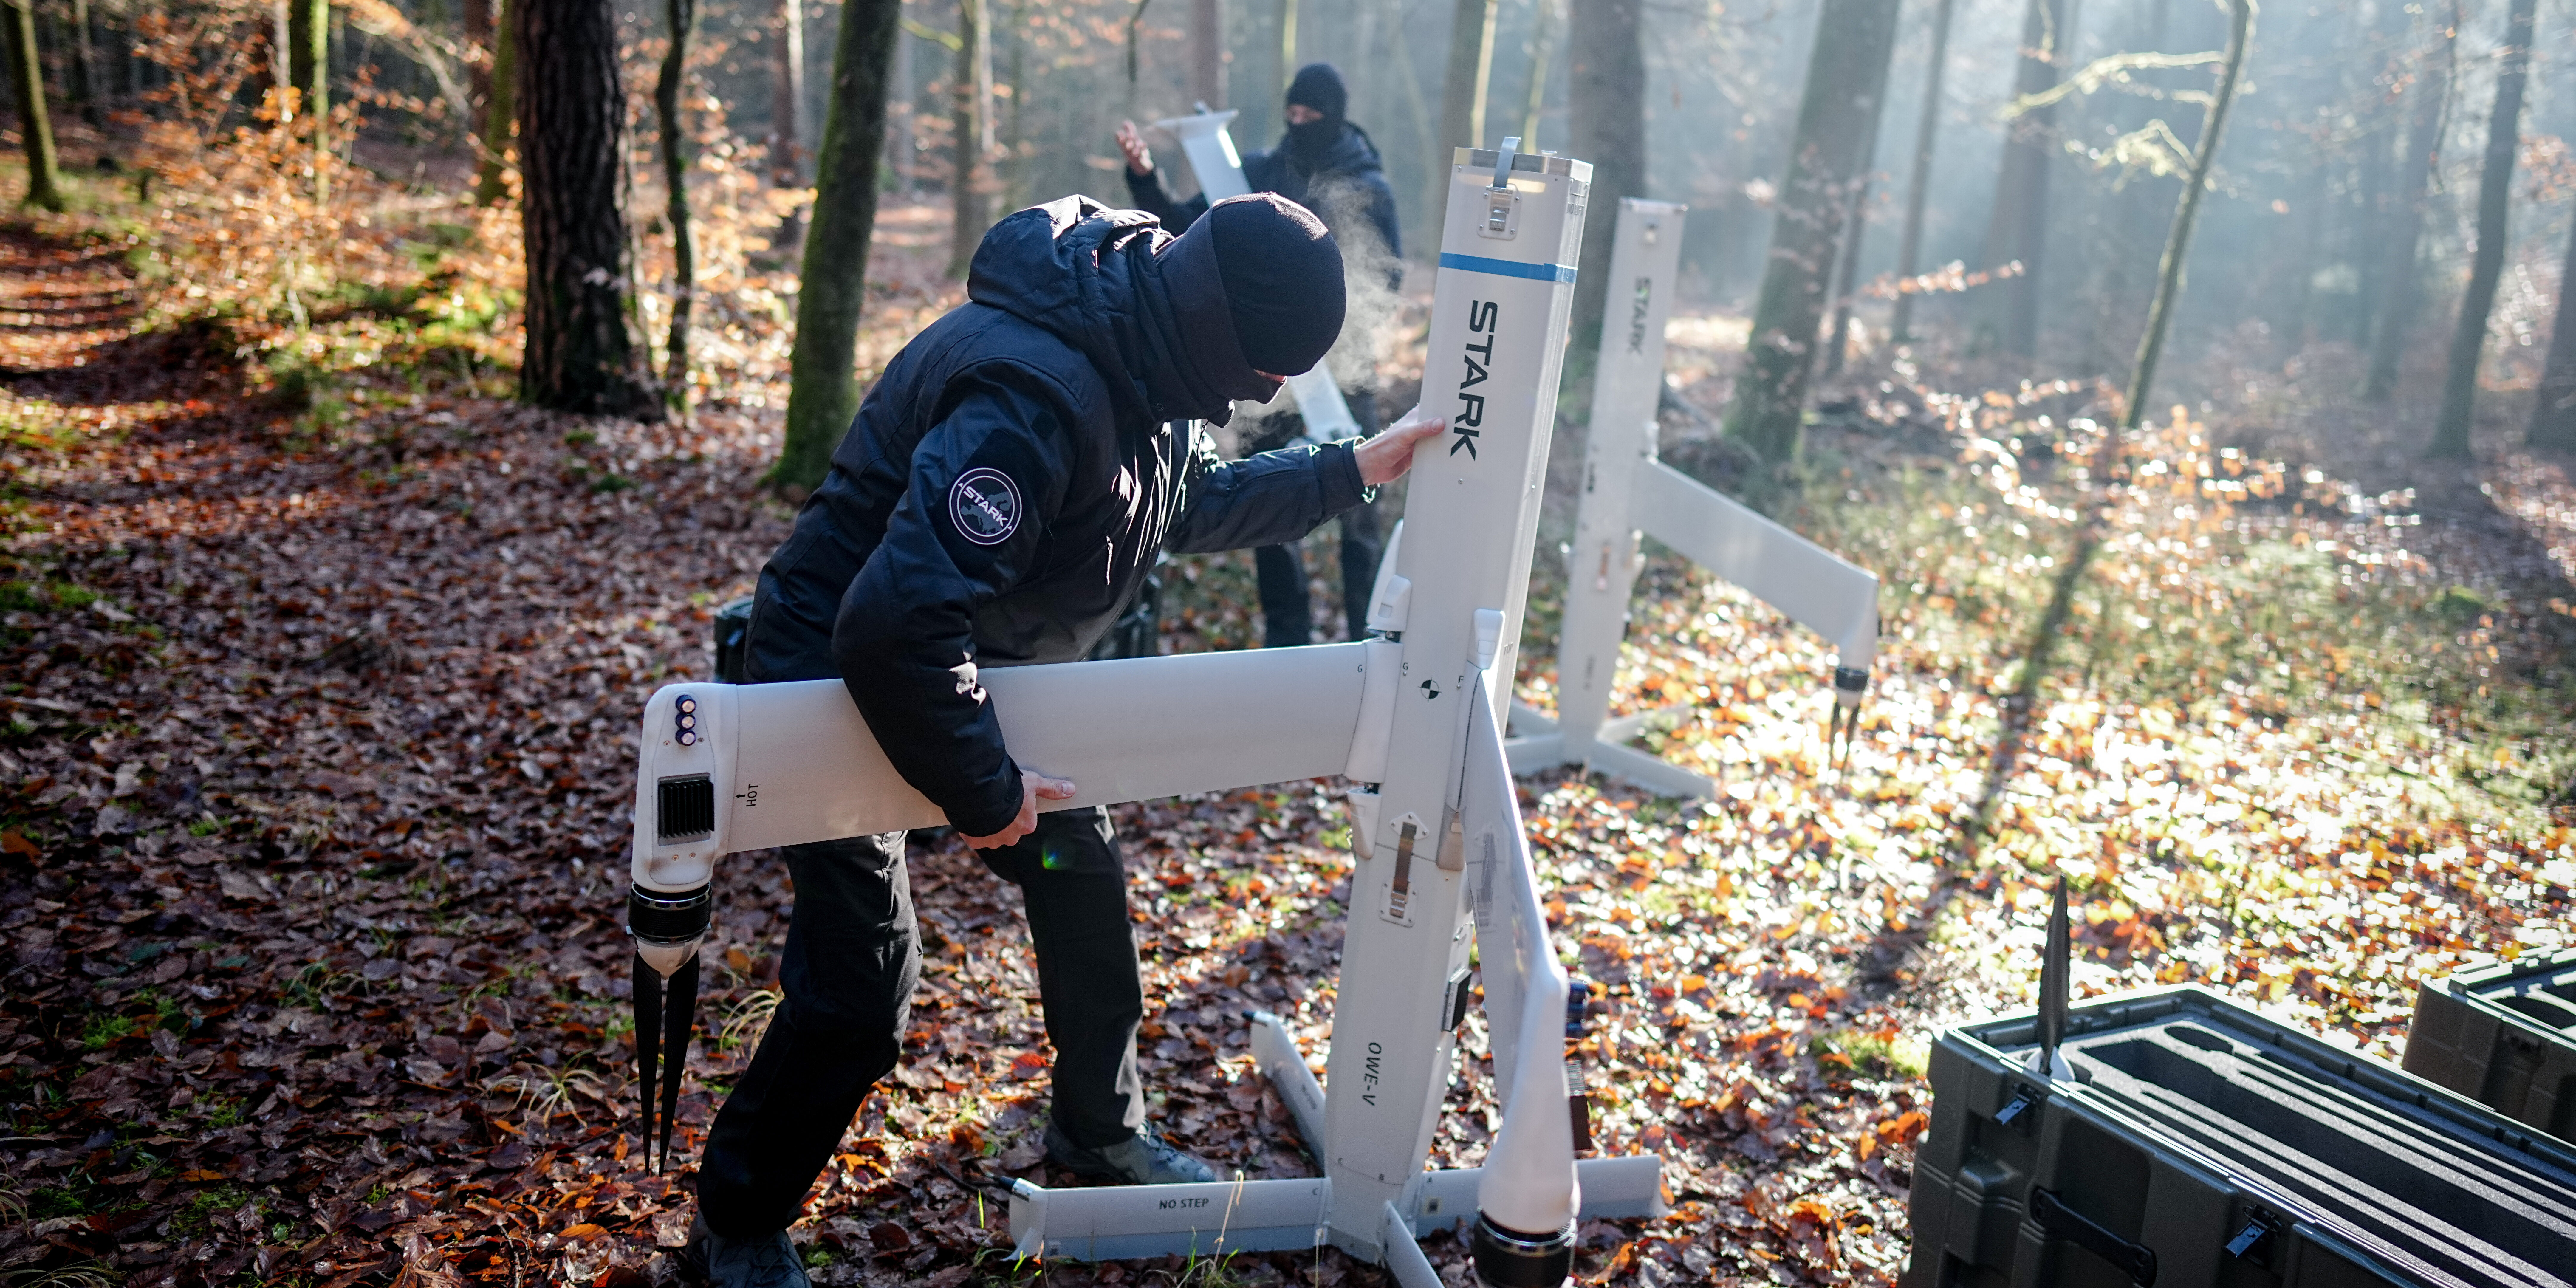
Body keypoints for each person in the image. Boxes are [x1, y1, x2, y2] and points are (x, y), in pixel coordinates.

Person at [682, 192, 1449, 1288]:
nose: (1269, 394)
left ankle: (1097, 1128)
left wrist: (1347, 471)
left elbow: (1178, 503)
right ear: (1215, 329)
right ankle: (738, 1221)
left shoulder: (1146, 349)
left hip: (988, 674)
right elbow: (893, 622)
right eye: (1262, 368)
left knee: (1079, 879)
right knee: (863, 982)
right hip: (836, 690)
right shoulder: (1036, 391)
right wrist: (986, 791)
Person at [1116, 62, 1402, 648]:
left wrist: (1330, 308)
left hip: (1345, 374)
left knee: (1360, 508)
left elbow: (1388, 279)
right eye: (1291, 115)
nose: (1298, 125)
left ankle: (1368, 641)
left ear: (1334, 116)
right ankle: (1287, 641)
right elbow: (1192, 232)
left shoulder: (1368, 185)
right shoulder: (1257, 170)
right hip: (1265, 367)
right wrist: (1146, 180)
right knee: (1269, 507)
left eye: (1310, 117)